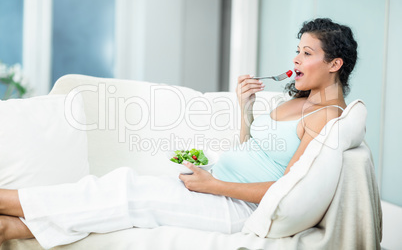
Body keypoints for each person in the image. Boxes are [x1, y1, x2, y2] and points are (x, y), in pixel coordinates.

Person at [0, 18, 358, 248]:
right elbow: (256, 152)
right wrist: (245, 109)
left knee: (128, 193)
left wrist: (213, 186)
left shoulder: (327, 117)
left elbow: (286, 189)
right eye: (297, 51)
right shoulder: (296, 101)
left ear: (334, 64)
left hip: (238, 207)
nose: (295, 60)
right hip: (216, 183)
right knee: (120, 192)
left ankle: (6, 199)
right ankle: (11, 230)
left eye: (307, 53)